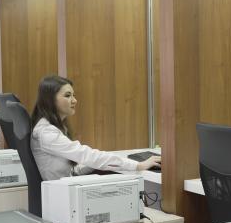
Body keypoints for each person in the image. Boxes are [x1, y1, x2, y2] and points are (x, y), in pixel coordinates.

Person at [31, 74, 160, 181]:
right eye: (68, 95)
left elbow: (74, 168)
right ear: (50, 100)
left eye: (73, 95)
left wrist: (108, 161)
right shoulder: (46, 133)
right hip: (63, 192)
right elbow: (85, 155)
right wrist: (138, 165)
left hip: (67, 185)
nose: (74, 100)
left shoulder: (52, 127)